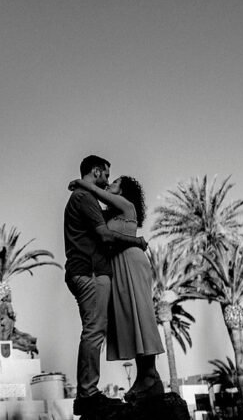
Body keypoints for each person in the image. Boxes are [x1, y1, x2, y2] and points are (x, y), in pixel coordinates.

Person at [63, 155, 148, 415]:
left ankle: (88, 392)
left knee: (93, 329)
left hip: (85, 270)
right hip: (89, 271)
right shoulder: (84, 198)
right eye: (106, 175)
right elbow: (105, 234)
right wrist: (137, 242)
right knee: (94, 331)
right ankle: (88, 394)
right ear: (97, 171)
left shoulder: (82, 197)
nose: (107, 181)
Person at [70, 174, 166, 402]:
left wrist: (82, 183)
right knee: (129, 319)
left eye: (115, 183)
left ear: (122, 191)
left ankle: (150, 376)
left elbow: (99, 194)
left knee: (141, 314)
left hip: (131, 262)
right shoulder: (110, 214)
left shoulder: (127, 205)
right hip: (118, 266)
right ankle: (146, 376)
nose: (110, 184)